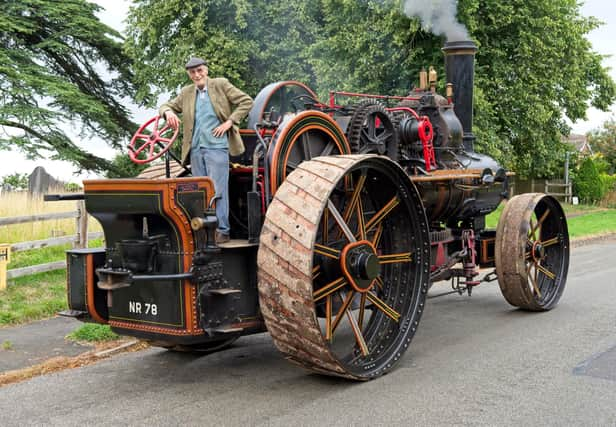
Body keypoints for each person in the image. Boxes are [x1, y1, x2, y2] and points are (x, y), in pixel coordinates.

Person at [159, 57, 253, 244]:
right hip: (195, 150)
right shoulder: (186, 92)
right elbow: (165, 105)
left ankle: (222, 231)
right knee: (199, 192)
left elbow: (246, 101)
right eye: (192, 72)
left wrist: (230, 122)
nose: (197, 75)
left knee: (217, 190)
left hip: (217, 147)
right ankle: (204, 232)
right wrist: (167, 112)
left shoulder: (220, 84)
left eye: (200, 70)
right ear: (189, 74)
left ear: (206, 70)